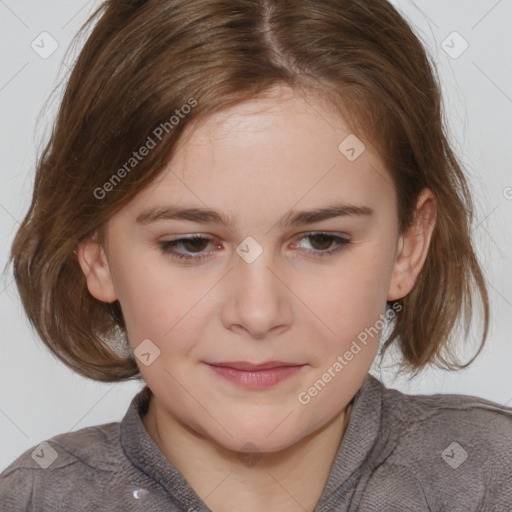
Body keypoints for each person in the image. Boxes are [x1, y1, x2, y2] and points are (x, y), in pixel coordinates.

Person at [1, 0, 511, 510]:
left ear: (408, 245)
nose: (259, 313)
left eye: (320, 240)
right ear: (97, 256)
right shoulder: (32, 498)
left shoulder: (490, 476)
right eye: (192, 244)